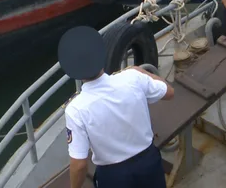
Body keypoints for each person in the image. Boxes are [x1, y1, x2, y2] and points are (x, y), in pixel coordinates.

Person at [59, 26, 175, 188]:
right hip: (148, 162)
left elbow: (79, 164)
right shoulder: (133, 78)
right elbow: (169, 92)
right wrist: (142, 72)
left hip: (113, 176)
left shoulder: (76, 109)